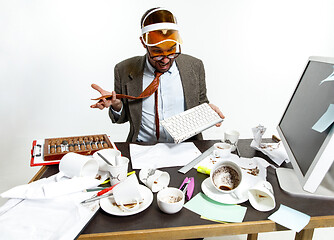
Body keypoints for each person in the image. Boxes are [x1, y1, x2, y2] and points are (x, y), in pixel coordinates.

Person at [91, 7, 224, 143]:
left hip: (186, 147)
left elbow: (201, 105)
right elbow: (122, 117)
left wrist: (208, 112)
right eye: (157, 52)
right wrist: (117, 106)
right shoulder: (123, 69)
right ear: (143, 43)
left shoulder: (195, 66)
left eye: (171, 51)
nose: (166, 60)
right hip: (142, 148)